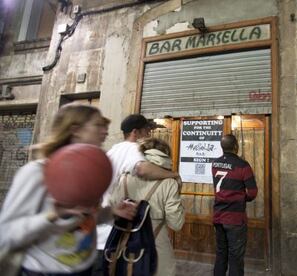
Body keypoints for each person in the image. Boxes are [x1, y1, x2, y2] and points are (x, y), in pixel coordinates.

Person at [0, 104, 137, 275]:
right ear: (75, 130)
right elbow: (6, 233)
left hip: (83, 268)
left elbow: (84, 217)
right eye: (98, 125)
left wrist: (111, 213)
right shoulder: (37, 172)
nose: (106, 132)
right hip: (43, 271)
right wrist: (51, 216)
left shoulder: (89, 171)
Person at [95, 114, 181, 274]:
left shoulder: (112, 151)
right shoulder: (133, 149)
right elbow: (143, 169)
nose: (149, 135)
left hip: (109, 233)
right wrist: (173, 175)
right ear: (135, 132)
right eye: (147, 131)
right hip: (123, 233)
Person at [109, 137, 185, 276]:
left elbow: (112, 211)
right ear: (166, 156)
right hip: (157, 252)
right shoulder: (169, 182)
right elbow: (176, 224)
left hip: (124, 249)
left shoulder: (124, 177)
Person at [212, 134, 258, 276]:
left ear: (222, 147)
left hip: (218, 217)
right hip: (235, 220)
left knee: (221, 254)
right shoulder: (243, 166)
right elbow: (252, 192)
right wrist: (240, 197)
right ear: (236, 146)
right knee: (236, 257)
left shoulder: (214, 164)